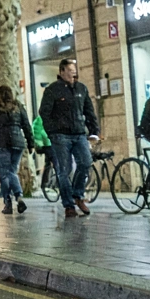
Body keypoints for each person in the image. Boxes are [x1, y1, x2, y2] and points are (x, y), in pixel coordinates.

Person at [38, 58, 99, 218]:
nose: (73, 72)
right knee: (64, 170)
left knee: (85, 163)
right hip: (60, 136)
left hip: (79, 134)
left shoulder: (81, 89)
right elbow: (44, 112)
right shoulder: (53, 90)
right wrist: (52, 131)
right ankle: (68, 205)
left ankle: (78, 195)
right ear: (62, 71)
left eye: (74, 69)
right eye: (70, 70)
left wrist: (94, 132)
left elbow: (89, 111)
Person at [0, 84, 32, 215]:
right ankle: (16, 199)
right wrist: (31, 143)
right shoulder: (18, 107)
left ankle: (10, 202)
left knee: (6, 174)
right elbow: (26, 125)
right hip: (17, 143)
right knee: (12, 171)